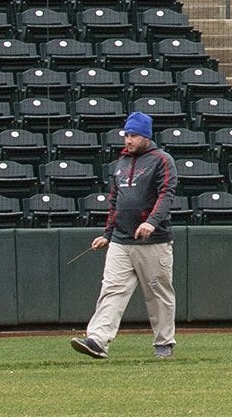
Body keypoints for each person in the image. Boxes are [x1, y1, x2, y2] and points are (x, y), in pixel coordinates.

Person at [69, 111, 177, 361]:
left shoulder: (162, 160)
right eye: (126, 135)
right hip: (121, 240)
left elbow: (166, 194)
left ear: (146, 136)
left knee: (158, 294)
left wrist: (151, 222)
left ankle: (164, 342)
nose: (128, 140)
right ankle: (97, 340)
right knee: (112, 290)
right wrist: (107, 234)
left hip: (154, 241)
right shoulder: (122, 163)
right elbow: (114, 201)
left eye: (134, 135)